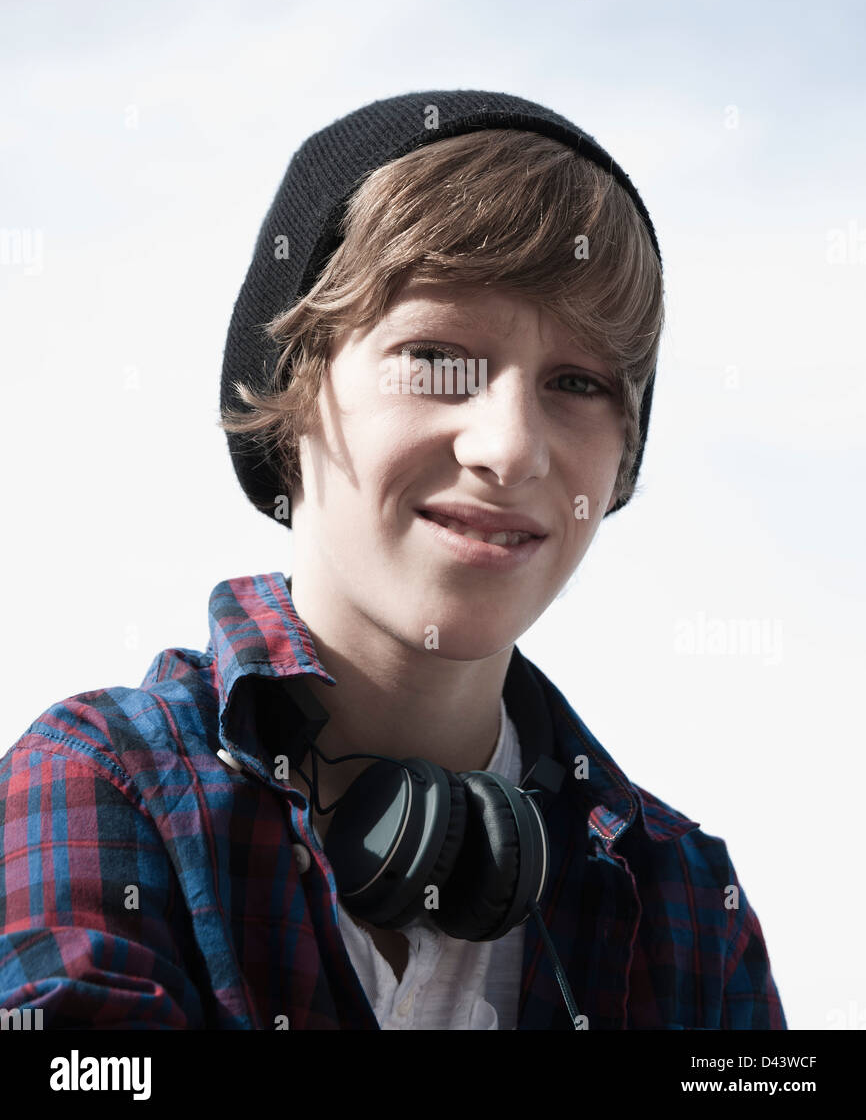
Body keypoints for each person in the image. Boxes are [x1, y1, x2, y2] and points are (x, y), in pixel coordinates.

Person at [0, 89, 786, 1030]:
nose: (511, 447)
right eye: (438, 359)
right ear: (292, 390)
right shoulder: (107, 785)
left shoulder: (687, 900)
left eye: (577, 383)